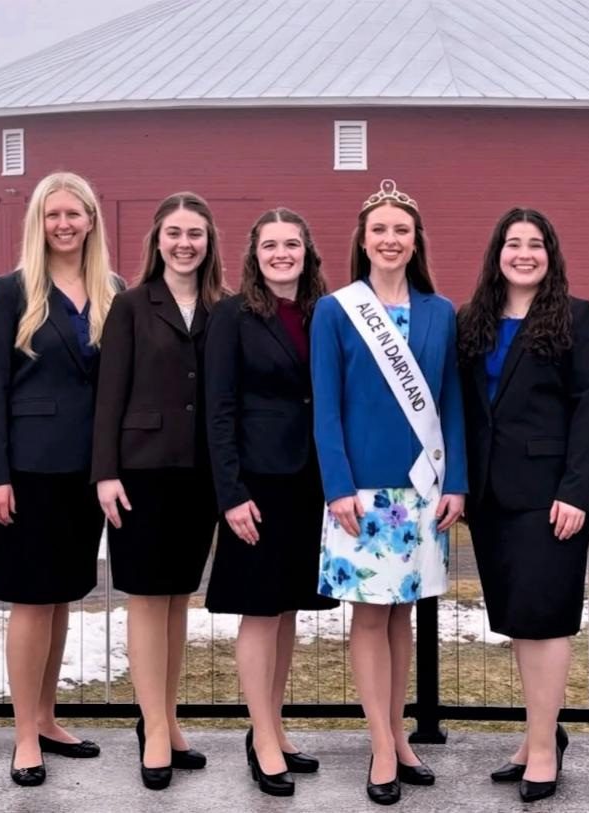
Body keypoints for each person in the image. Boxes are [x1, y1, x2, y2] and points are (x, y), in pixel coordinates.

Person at [310, 179, 466, 805]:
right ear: (363, 240)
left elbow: (451, 399)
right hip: (362, 498)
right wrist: (337, 486)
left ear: (415, 241)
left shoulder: (440, 312)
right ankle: (380, 745)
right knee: (371, 617)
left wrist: (455, 480)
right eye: (379, 230)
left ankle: (400, 737)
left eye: (401, 230)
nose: (390, 239)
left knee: (404, 615)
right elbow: (326, 407)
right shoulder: (335, 310)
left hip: (422, 492)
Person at [457, 208, 589, 803]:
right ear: (497, 253)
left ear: (552, 254)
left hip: (551, 499)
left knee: (545, 622)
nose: (524, 254)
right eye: (513, 244)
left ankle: (544, 750)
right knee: (520, 623)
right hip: (492, 498)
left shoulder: (576, 318)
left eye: (536, 244)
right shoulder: (475, 321)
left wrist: (577, 491)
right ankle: (537, 733)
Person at [0, 171, 120, 787]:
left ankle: (48, 716)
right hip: (28, 471)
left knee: (62, 598)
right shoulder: (11, 292)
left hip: (86, 473)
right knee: (32, 602)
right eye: (53, 214)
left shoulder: (111, 289)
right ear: (39, 221)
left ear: (91, 220)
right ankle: (23, 735)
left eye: (75, 214)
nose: (64, 224)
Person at [91, 192, 225, 790]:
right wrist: (105, 471)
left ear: (209, 241)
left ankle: (167, 724)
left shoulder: (223, 308)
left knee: (177, 602)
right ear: (157, 240)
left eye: (195, 233)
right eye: (174, 232)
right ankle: (151, 733)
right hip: (141, 471)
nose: (184, 243)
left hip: (199, 473)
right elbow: (109, 395)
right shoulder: (129, 305)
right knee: (146, 601)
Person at [204, 208, 339, 797]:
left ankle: (275, 729)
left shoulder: (324, 311)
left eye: (292, 244)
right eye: (270, 245)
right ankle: (261, 739)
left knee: (286, 611)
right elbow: (219, 408)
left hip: (310, 481)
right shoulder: (232, 315)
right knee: (259, 611)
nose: (282, 254)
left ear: (309, 252)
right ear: (253, 254)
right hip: (256, 485)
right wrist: (231, 494)